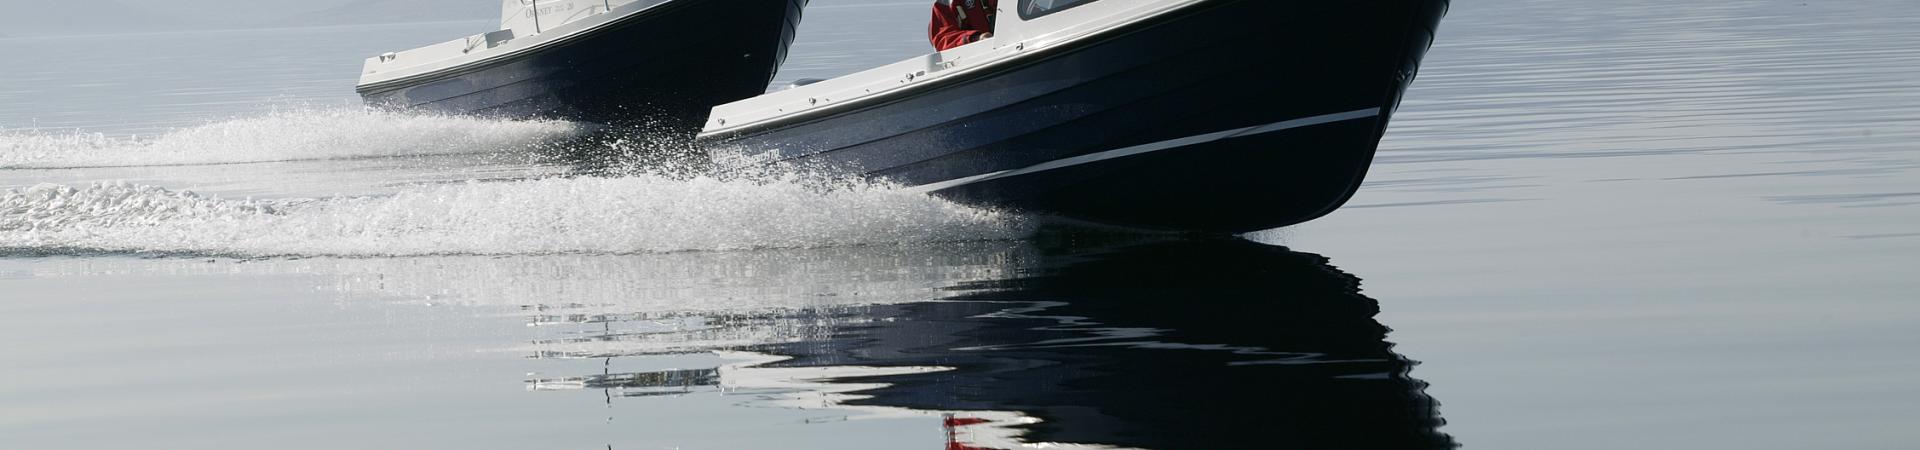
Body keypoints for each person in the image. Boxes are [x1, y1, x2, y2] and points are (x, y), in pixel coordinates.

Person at [929, 0, 998, 51]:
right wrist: (975, 38)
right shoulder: (944, 3)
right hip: (973, 58)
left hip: (1004, 50)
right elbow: (943, 40)